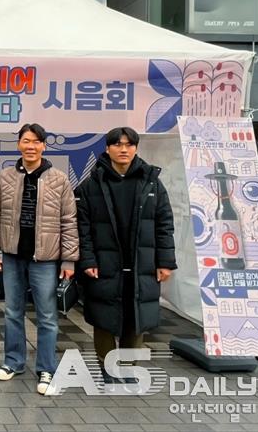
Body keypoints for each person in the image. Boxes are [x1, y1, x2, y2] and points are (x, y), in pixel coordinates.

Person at [75, 127, 176, 381]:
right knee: (103, 315)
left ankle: (129, 366)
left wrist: (165, 262)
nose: (123, 149)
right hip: (104, 262)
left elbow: (164, 223)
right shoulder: (91, 184)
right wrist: (88, 259)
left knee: (136, 315)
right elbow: (82, 228)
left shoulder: (151, 182)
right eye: (117, 144)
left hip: (142, 262)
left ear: (136, 148)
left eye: (129, 145)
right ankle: (107, 367)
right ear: (107, 148)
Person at [0, 123, 78, 395]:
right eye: (26, 140)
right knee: (13, 311)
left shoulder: (59, 179)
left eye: (36, 141)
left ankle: (46, 368)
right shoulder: (5, 177)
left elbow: (69, 221)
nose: (31, 146)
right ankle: (13, 362)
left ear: (44, 146)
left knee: (47, 316)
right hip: (13, 256)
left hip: (45, 259)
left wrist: (69, 260)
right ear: (18, 144)